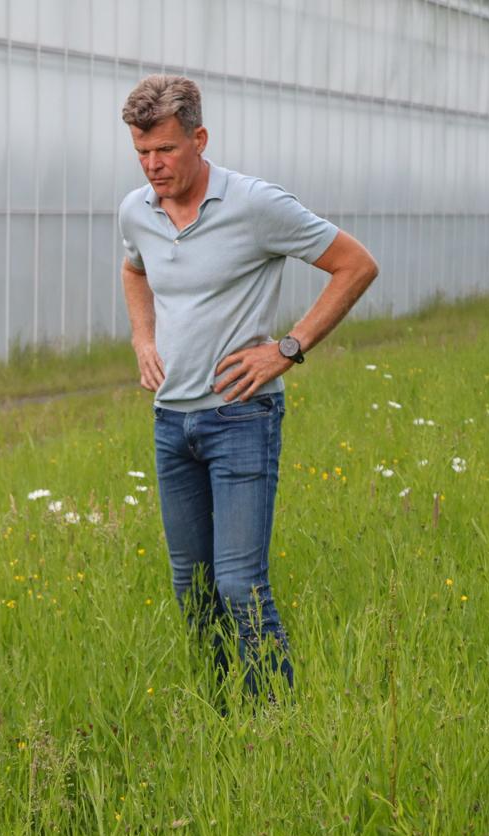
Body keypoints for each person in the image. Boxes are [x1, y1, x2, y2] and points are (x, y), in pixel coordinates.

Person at [118, 75, 378, 697]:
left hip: (241, 418)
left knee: (239, 583)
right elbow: (134, 269)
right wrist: (143, 338)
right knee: (193, 587)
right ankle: (221, 713)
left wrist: (288, 349)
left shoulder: (256, 205)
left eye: (166, 151)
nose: (154, 166)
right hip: (169, 423)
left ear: (199, 138)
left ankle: (275, 722)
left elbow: (356, 265)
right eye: (142, 153)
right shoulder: (137, 210)